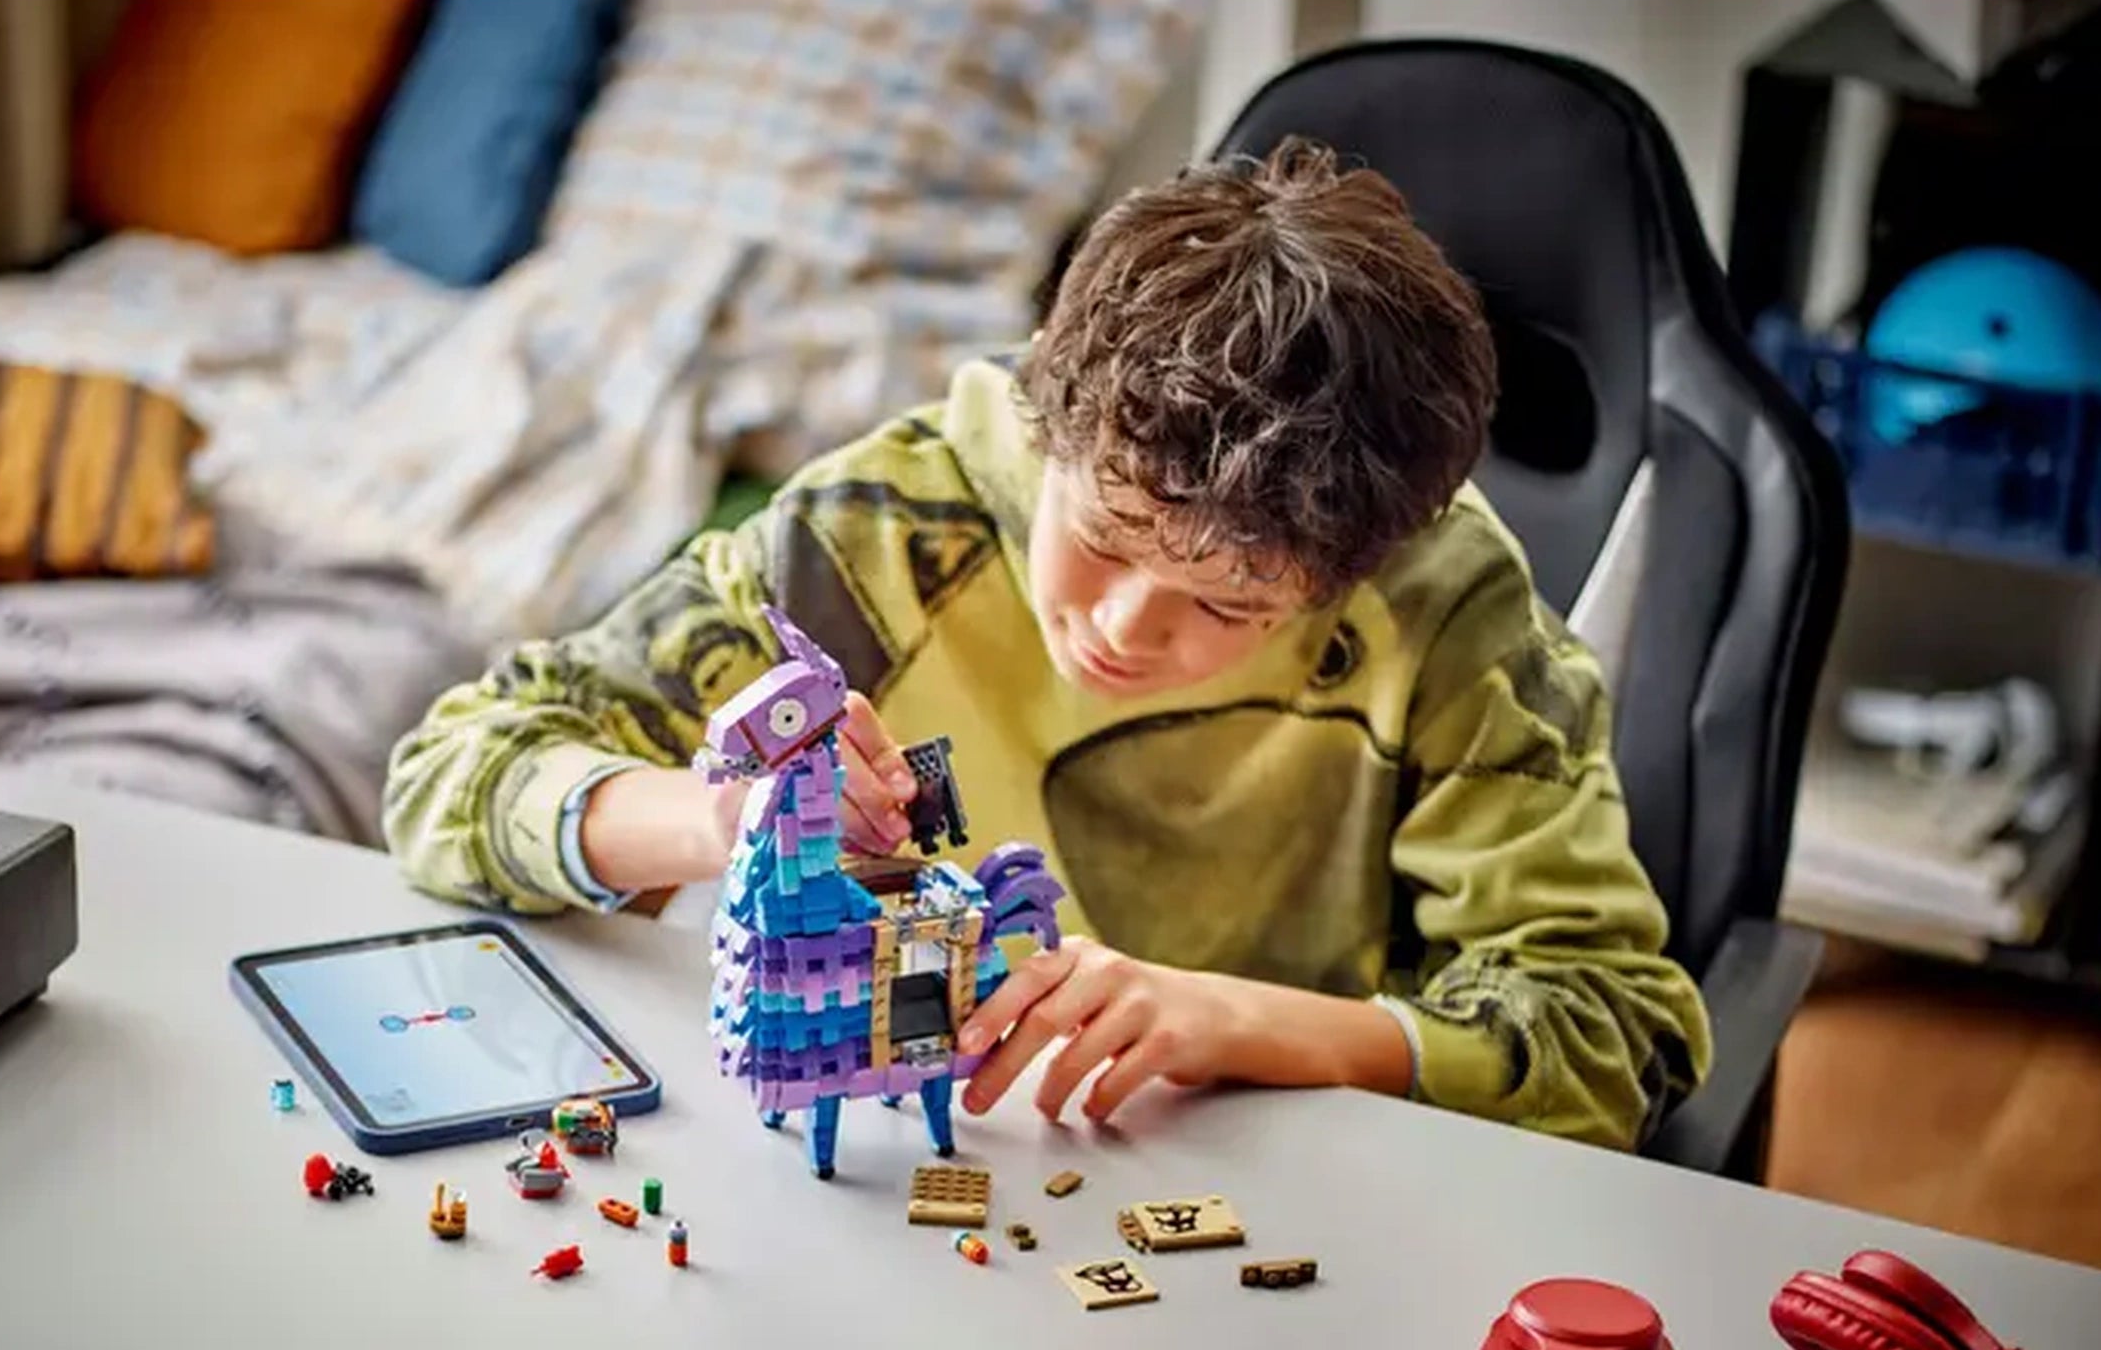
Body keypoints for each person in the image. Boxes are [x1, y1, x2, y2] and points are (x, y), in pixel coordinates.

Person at [384, 140, 1711, 1151]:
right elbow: (452, 774)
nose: (1127, 628)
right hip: (939, 1166)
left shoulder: (1448, 609)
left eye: (1233, 606)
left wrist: (1239, 1022)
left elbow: (1615, 1034)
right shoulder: (894, 526)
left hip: (1291, 1162)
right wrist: (720, 821)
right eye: (1107, 536)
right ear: (1050, 423)